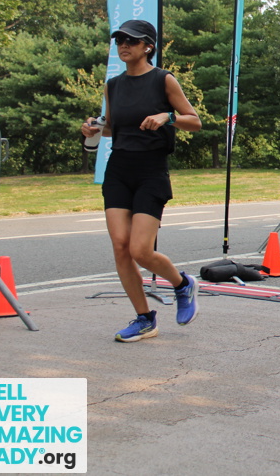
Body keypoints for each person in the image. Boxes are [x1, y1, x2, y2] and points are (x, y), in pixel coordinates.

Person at [80, 20, 202, 342]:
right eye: (119, 40)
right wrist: (94, 128)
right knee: (121, 247)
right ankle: (145, 318)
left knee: (140, 250)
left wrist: (168, 117)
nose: (123, 45)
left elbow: (195, 121)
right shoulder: (113, 85)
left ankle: (182, 285)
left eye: (131, 40)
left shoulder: (164, 80)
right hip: (118, 169)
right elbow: (114, 126)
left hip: (151, 170)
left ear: (148, 46)